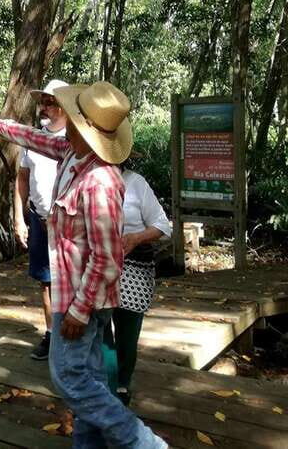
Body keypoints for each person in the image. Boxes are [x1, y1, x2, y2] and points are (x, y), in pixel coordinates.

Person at [0, 81, 166, 449]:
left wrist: (78, 310)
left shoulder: (101, 181)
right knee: (89, 377)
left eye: (71, 118)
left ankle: (145, 444)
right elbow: (33, 138)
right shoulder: (74, 153)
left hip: (83, 301)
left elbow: (108, 258)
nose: (63, 123)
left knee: (69, 380)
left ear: (85, 127)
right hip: (73, 294)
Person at [104, 164, 172, 406]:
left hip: (134, 270)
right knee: (101, 332)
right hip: (97, 268)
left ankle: (121, 383)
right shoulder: (85, 179)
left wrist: (136, 237)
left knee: (127, 334)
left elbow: (163, 225)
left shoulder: (136, 183)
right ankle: (107, 385)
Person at [13, 79, 69, 360]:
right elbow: (22, 179)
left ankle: (74, 335)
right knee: (46, 281)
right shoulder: (33, 139)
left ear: (65, 106)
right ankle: (51, 335)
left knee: (71, 280)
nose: (44, 107)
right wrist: (18, 217)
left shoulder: (76, 139)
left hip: (69, 224)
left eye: (51, 102)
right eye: (43, 102)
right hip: (38, 218)